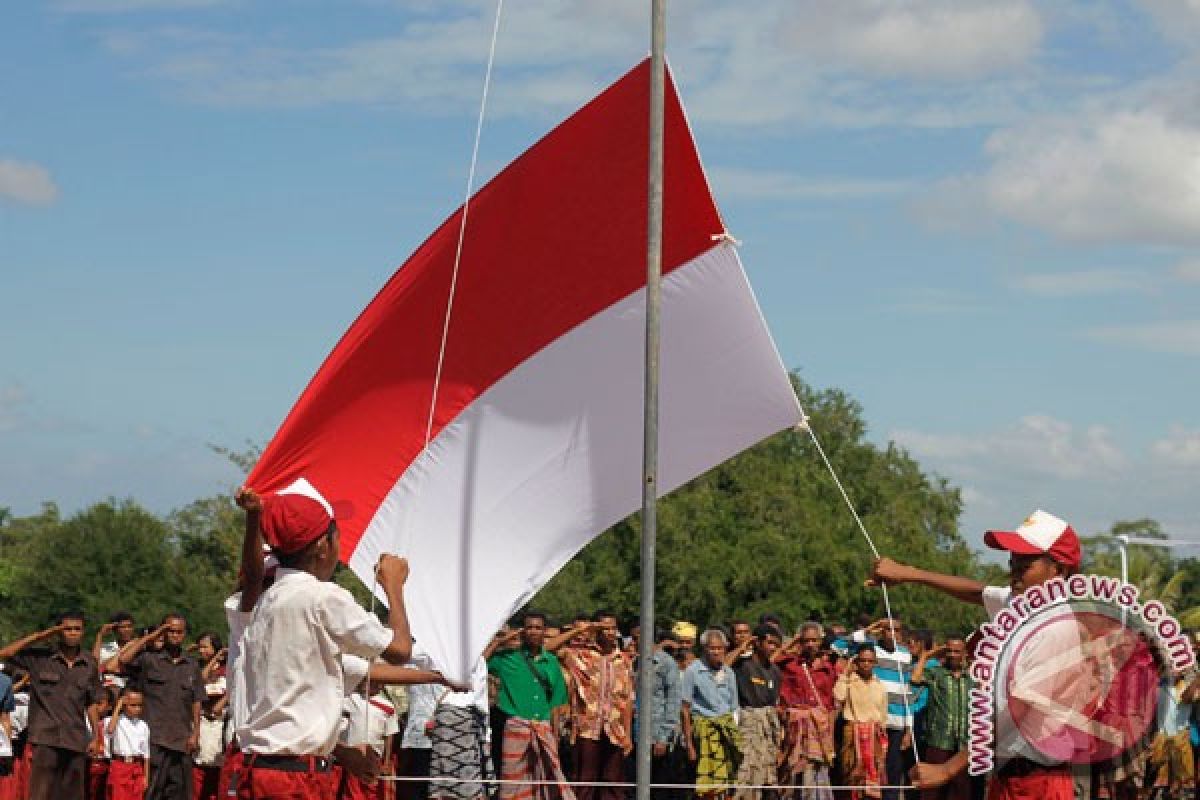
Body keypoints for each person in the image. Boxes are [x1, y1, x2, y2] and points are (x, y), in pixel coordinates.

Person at [868, 509, 1086, 800]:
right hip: (1008, 775)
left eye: (1026, 561)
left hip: (1038, 782)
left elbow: (1016, 713)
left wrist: (947, 769)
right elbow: (978, 592)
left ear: (1058, 570)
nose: (1014, 566)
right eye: (1013, 557)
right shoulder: (1022, 603)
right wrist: (908, 574)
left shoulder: (1055, 629)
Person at [235, 480, 415, 800]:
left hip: (260, 769)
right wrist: (394, 586)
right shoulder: (322, 597)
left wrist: (340, 752)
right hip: (297, 781)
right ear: (322, 546)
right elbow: (400, 650)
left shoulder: (265, 602)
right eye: (335, 536)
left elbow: (289, 709)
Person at [0, 611, 106, 800]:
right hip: (45, 737)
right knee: (41, 793)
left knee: (72, 795)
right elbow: (5, 653)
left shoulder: (89, 663)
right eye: (67, 629)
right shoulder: (40, 658)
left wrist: (96, 737)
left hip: (76, 739)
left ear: (83, 632)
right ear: (58, 631)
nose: (72, 633)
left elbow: (91, 701)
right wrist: (42, 636)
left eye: (77, 629)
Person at [111, 613, 204, 800]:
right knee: (152, 791)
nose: (175, 635)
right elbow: (123, 660)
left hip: (181, 739)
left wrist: (195, 733)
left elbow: (196, 700)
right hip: (154, 738)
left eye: (179, 632)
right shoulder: (149, 659)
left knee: (178, 792)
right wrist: (151, 636)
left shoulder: (192, 665)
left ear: (185, 634)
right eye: (170, 631)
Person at [486, 611, 572, 800]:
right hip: (515, 727)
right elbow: (478, 663)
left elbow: (556, 704)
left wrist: (555, 734)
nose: (533, 632)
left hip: (543, 727)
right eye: (529, 627)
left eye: (538, 628)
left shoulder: (551, 662)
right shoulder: (506, 658)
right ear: (523, 631)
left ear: (544, 632)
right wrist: (499, 642)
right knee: (512, 779)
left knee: (549, 776)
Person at [555, 612, 634, 800]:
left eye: (613, 628)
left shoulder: (624, 660)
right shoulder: (581, 655)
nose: (609, 632)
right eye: (604, 628)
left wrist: (628, 735)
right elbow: (549, 648)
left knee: (613, 784)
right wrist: (582, 629)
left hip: (614, 731)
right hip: (587, 729)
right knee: (585, 783)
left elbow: (627, 700)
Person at [775, 622, 837, 800]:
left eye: (814, 640)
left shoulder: (827, 668)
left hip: (819, 732)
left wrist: (830, 737)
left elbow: (830, 706)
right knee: (794, 772)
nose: (810, 644)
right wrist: (793, 641)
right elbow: (771, 659)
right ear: (800, 642)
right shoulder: (789, 665)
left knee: (818, 772)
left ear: (820, 642)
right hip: (796, 731)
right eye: (806, 640)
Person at [682, 628, 741, 800]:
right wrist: (690, 745)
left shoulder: (729, 673)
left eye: (720, 648)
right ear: (704, 649)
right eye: (712, 648)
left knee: (728, 779)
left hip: (726, 732)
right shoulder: (693, 671)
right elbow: (684, 708)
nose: (716, 652)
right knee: (705, 782)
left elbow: (734, 707)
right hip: (704, 732)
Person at [910, 640, 970, 800]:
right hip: (939, 741)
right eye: (949, 651)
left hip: (964, 744)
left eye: (957, 652)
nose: (952, 655)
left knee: (960, 791)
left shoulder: (971, 677)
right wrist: (926, 656)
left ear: (964, 654)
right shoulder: (936, 673)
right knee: (933, 792)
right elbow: (915, 680)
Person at [427, 657, 494, 800]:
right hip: (455, 721)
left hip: (458, 721)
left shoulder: (476, 658)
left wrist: (486, 733)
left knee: (454, 782)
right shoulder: (438, 655)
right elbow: (481, 699)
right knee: (459, 784)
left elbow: (481, 698)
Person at [732, 624, 783, 800]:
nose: (772, 647)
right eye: (769, 643)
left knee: (768, 777)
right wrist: (742, 646)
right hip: (747, 725)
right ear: (758, 643)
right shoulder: (741, 665)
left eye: (776, 644)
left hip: (768, 729)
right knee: (746, 773)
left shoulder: (775, 671)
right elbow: (723, 666)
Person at [835, 646, 889, 800]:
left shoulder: (880, 686)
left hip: (874, 737)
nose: (866, 664)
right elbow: (838, 696)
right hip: (853, 735)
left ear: (875, 663)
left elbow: (883, 715)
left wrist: (883, 742)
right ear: (856, 661)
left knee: (873, 777)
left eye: (870, 661)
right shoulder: (849, 681)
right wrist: (846, 673)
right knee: (852, 777)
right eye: (863, 660)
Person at [642, 629, 685, 800]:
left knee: (659, 786)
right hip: (634, 736)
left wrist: (663, 737)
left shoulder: (667, 663)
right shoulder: (632, 660)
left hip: (657, 735)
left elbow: (673, 701)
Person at [192, 632, 226, 800]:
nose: (202, 650)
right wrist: (213, 659)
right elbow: (200, 680)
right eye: (200, 647)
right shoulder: (197, 666)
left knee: (218, 765)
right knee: (200, 765)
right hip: (203, 721)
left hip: (221, 723)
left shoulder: (227, 668)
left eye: (205, 646)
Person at [106, 688, 151, 800]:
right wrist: (118, 706)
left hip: (136, 767)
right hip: (120, 766)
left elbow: (146, 755)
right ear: (124, 704)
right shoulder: (116, 721)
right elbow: (110, 730)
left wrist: (146, 777)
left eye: (139, 705)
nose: (137, 709)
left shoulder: (143, 725)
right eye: (133, 705)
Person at [95, 613, 136, 691]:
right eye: (123, 627)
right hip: (109, 690)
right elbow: (95, 665)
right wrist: (100, 635)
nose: (127, 630)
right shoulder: (106, 648)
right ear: (115, 630)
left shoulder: (139, 646)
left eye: (129, 626)